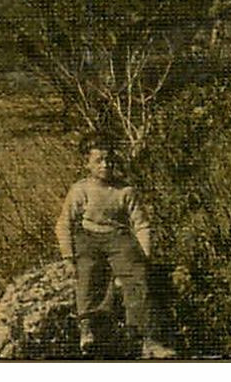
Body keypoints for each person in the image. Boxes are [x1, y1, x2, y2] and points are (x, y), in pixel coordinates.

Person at [55, 141, 175, 358]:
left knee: (137, 277)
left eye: (109, 160)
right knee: (88, 272)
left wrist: (144, 256)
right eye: (98, 161)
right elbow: (64, 223)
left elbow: (141, 224)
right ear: (87, 164)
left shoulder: (124, 191)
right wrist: (67, 256)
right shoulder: (80, 190)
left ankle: (147, 337)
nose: (105, 165)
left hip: (117, 236)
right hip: (88, 235)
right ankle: (87, 327)